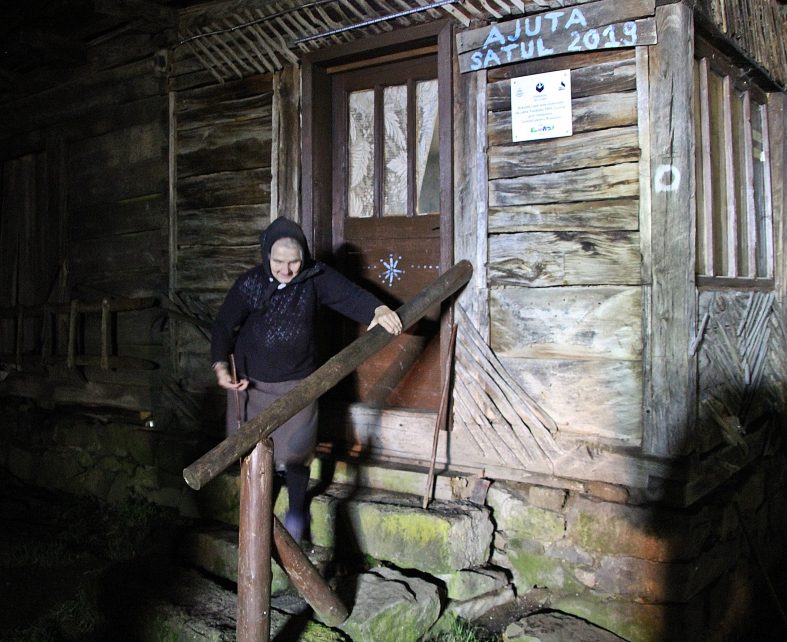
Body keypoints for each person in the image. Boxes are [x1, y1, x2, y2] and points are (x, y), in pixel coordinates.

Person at [211, 216, 402, 542]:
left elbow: (350, 296)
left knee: (297, 454)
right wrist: (220, 367)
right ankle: (255, 525)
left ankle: (297, 519)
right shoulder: (251, 283)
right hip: (251, 385)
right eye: (278, 262)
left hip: (298, 385)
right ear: (266, 255)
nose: (286, 270)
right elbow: (224, 325)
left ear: (304, 257)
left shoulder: (315, 277)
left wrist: (378, 310)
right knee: (255, 457)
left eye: (293, 262)